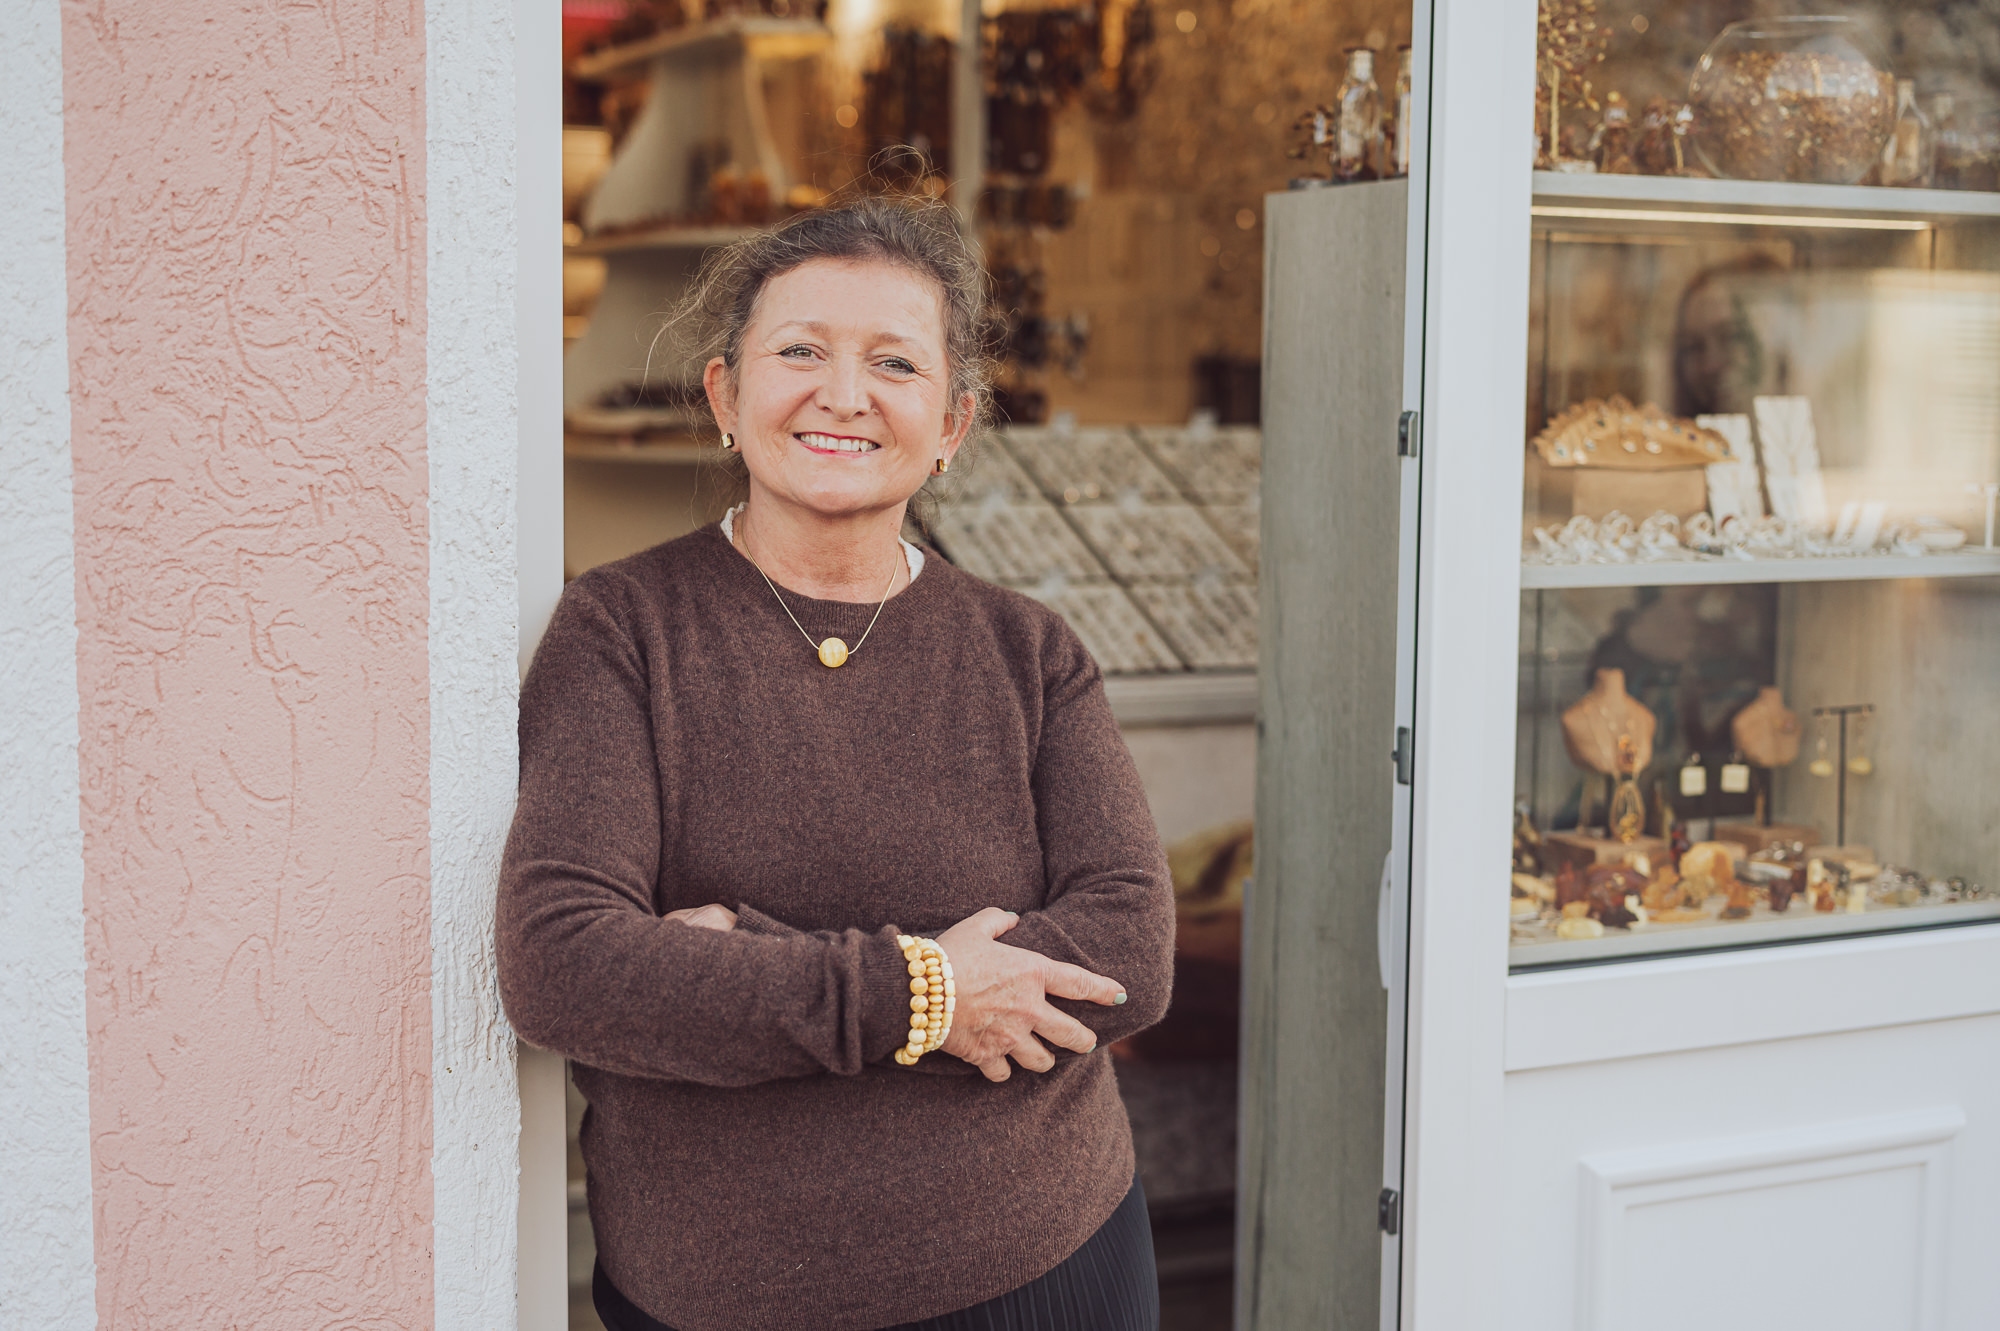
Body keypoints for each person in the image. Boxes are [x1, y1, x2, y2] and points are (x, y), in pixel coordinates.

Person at [496, 195, 1177, 1331]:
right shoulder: (621, 631)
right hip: (726, 1295)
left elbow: (1128, 949)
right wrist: (925, 992)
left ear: (951, 425)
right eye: (799, 350)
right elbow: (564, 962)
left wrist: (745, 961)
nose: (843, 394)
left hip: (1046, 1264)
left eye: (893, 363)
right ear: (725, 392)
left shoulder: (1026, 649)